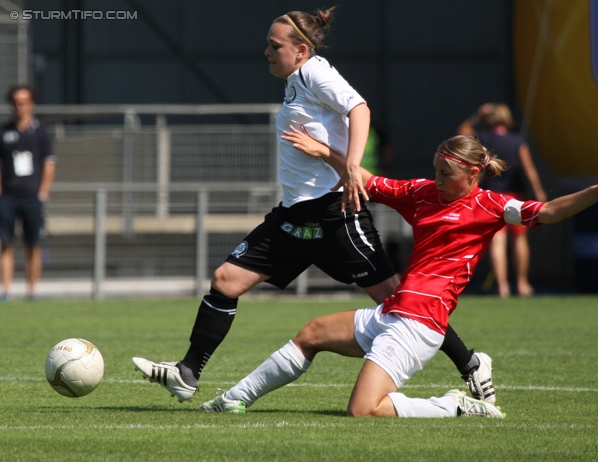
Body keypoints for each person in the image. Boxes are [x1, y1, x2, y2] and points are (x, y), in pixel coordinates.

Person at [132, 8, 494, 405]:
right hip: (292, 215)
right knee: (225, 281)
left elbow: (360, 109)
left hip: (332, 214)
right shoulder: (294, 80)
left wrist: (352, 168)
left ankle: (471, 364)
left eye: (275, 46)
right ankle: (187, 374)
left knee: (400, 301)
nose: (266, 52)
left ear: (301, 50)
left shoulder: (315, 72)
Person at [198, 131, 598, 418]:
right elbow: (368, 180)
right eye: (435, 170)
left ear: (472, 172)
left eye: (446, 173)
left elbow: (549, 212)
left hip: (421, 322)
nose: (438, 179)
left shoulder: (490, 205)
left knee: (362, 411)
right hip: (394, 311)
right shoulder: (424, 193)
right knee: (312, 332)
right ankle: (232, 400)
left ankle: (457, 408)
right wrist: (327, 153)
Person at [459, 103, 547, 297]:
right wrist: (539, 192)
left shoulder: (482, 138)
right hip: (515, 197)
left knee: (497, 242)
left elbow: (462, 132)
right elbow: (529, 170)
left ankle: (502, 286)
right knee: (520, 239)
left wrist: (477, 115)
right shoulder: (517, 141)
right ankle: (523, 284)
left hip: (490, 199)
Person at [0, 85, 56, 301]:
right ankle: (6, 290)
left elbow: (49, 163)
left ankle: (32, 291)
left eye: (24, 101)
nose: (20, 106)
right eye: (16, 102)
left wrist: (43, 192)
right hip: (8, 196)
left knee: (33, 243)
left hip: (32, 196)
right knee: (6, 243)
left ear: (31, 103)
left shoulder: (40, 132)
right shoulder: (4, 131)